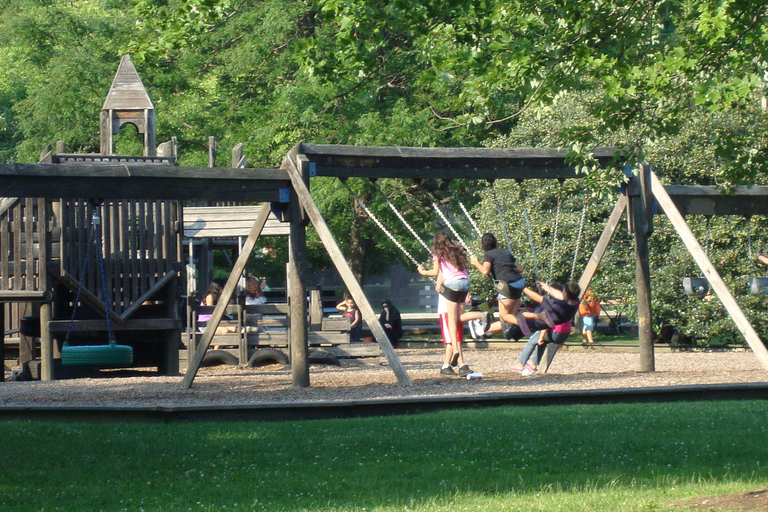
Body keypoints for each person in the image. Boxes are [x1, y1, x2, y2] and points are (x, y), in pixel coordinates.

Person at [418, 231, 473, 377]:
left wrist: (423, 272)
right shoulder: (452, 262)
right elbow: (439, 279)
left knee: (456, 335)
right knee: (453, 337)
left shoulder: (445, 266)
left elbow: (439, 273)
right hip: (447, 306)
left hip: (452, 299)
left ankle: (450, 365)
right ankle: (457, 364)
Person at [507, 284, 574, 376]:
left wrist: (541, 336)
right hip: (564, 334)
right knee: (543, 341)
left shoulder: (554, 305)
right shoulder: (570, 303)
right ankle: (533, 363)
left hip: (555, 332)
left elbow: (546, 324)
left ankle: (520, 364)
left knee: (532, 341)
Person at [470, 233, 528, 334]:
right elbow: (520, 269)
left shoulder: (488, 254)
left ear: (483, 245)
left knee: (504, 317)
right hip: (519, 283)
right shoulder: (505, 252)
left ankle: (520, 321)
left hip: (507, 285)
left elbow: (485, 271)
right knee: (509, 319)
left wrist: (476, 263)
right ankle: (483, 332)